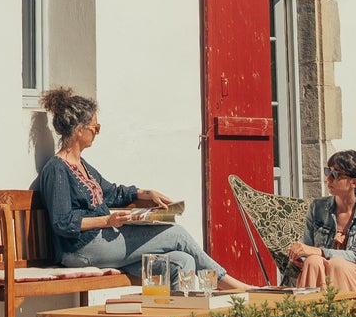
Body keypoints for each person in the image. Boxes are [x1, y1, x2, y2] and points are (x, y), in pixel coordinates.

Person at [35, 87, 250, 292]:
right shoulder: (57, 169)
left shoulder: (82, 166)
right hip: (81, 249)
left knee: (183, 261)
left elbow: (112, 192)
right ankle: (230, 284)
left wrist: (144, 193)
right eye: (95, 128)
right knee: (177, 234)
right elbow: (62, 222)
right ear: (79, 130)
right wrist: (107, 221)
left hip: (107, 245)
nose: (97, 133)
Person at [287, 149, 356, 307]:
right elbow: (308, 248)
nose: (328, 178)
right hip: (320, 275)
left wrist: (319, 252)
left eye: (336, 174)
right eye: (328, 171)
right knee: (312, 262)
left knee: (337, 264)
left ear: (354, 182)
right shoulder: (317, 207)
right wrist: (299, 257)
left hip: (355, 280)